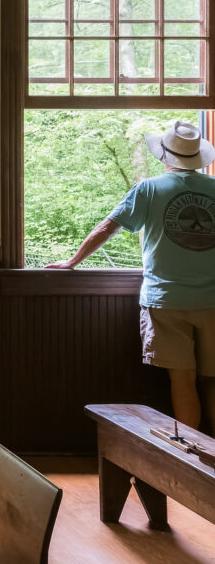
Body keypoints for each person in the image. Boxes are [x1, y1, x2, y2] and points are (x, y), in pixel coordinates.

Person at [47, 120, 215, 431]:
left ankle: (192, 460)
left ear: (165, 155)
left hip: (166, 300)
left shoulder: (149, 189)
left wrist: (73, 261)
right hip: (213, 301)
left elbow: (106, 228)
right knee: (213, 380)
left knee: (182, 380)